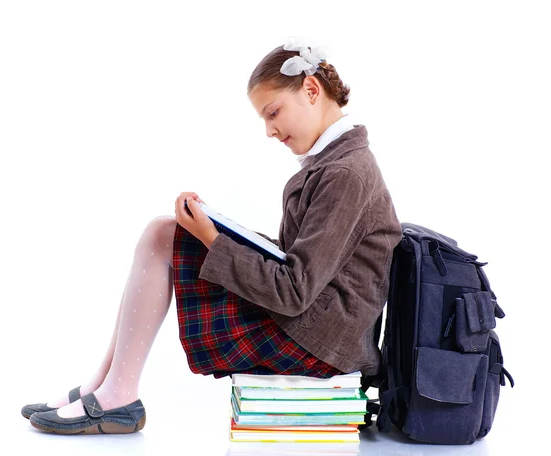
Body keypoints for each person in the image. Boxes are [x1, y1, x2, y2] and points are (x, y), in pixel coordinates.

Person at [22, 36, 403, 435]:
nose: (270, 131)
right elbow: (300, 262)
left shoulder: (345, 172)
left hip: (319, 344)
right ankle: (104, 384)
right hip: (313, 328)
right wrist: (217, 228)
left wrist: (213, 239)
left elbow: (294, 291)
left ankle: (116, 394)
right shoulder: (335, 162)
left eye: (273, 113)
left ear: (311, 90)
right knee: (165, 232)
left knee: (164, 236)